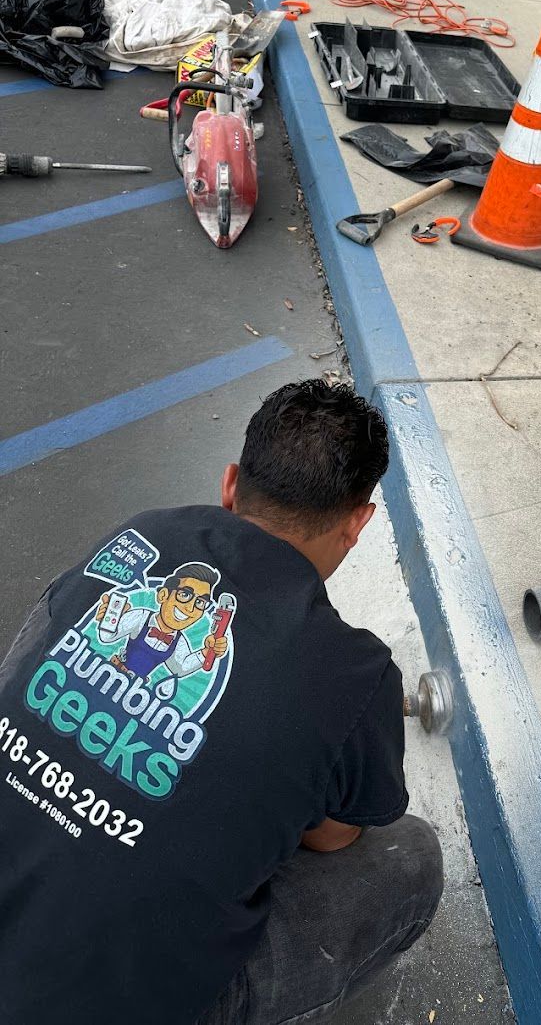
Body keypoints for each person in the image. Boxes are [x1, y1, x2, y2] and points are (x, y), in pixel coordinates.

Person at [0, 379, 443, 1025]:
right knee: (412, 858)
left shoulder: (143, 536)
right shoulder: (355, 673)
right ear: (357, 524)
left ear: (230, 483)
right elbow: (331, 838)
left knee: (55, 620)